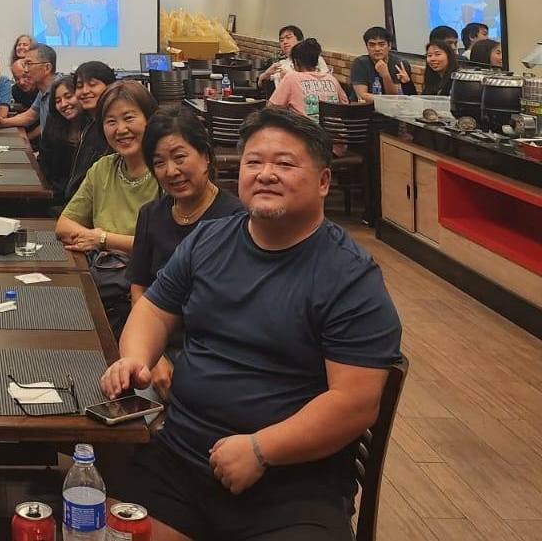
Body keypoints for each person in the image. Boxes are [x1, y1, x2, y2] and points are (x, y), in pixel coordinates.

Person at [100, 108, 402, 541]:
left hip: (292, 486)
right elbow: (153, 309)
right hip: (179, 463)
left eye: (285, 164)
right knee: (94, 524)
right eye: (254, 162)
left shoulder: (350, 278)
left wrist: (261, 449)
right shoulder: (209, 240)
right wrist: (135, 358)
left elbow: (354, 402)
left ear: (323, 182)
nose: (265, 174)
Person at [126, 108, 246, 398]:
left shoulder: (236, 220)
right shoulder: (150, 215)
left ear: (205, 156)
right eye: (159, 163)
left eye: (180, 158)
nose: (171, 171)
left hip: (213, 353)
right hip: (156, 342)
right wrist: (154, 357)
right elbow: (139, 288)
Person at [56, 80, 160, 335]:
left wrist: (101, 238)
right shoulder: (103, 168)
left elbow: (164, 245)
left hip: (147, 292)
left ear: (150, 119)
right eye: (111, 121)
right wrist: (100, 240)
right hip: (102, 277)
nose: (121, 129)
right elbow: (64, 225)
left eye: (129, 118)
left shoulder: (165, 173)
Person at [65, 61, 116, 200]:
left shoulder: (113, 129)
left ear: (110, 86)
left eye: (92, 84)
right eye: (79, 86)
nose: (85, 91)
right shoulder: (90, 125)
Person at [268, 39, 349, 121]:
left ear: (296, 62)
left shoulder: (291, 77)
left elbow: (271, 109)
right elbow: (345, 106)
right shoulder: (331, 79)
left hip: (306, 128)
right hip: (336, 128)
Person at [37, 75, 84, 209]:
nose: (63, 104)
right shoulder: (53, 124)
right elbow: (44, 163)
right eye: (58, 101)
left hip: (85, 199)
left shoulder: (94, 129)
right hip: (55, 197)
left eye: (68, 97)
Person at [0, 44, 57, 140]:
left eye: (29, 64)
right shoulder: (43, 91)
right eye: (25, 64)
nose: (26, 70)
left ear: (47, 68)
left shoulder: (60, 91)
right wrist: (0, 122)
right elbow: (29, 117)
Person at [350, 26, 415, 102]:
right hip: (365, 106)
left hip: (392, 107)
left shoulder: (400, 64)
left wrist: (385, 75)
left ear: (389, 45)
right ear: (367, 47)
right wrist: (386, 100)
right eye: (372, 45)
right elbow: (362, 96)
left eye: (381, 45)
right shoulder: (360, 63)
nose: (377, 49)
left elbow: (395, 96)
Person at [258, 25, 327, 87]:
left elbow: (325, 84)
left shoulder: (314, 58)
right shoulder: (281, 64)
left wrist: (290, 76)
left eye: (288, 37)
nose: (284, 42)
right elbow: (260, 84)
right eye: (281, 40)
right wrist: (266, 73)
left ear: (300, 41)